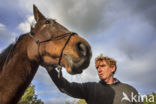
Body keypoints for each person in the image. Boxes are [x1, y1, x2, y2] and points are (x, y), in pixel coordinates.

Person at [48, 54, 142, 104]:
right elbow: (66, 87)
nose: (99, 70)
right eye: (97, 67)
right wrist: (50, 68)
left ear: (112, 68)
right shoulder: (90, 88)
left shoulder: (130, 90)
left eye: (103, 66)